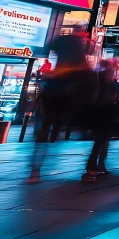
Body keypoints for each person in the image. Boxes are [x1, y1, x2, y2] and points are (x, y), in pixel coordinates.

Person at [29, 32, 97, 183]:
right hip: (70, 82)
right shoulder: (80, 62)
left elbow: (50, 46)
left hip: (58, 81)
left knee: (45, 126)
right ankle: (83, 123)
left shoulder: (64, 43)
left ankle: (35, 170)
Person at [81, 59, 119, 182]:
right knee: (101, 141)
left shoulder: (99, 81)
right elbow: (109, 99)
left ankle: (97, 165)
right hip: (104, 114)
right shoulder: (106, 83)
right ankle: (93, 166)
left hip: (102, 114)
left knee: (101, 141)